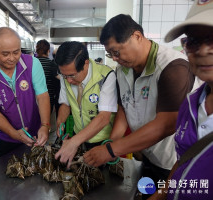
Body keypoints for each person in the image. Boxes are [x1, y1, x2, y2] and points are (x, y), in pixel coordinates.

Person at [83, 14, 195, 199]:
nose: (115, 58)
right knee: (144, 194)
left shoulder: (172, 67)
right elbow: (124, 108)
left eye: (117, 52)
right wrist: (113, 140)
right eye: (111, 54)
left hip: (173, 162)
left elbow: (167, 124)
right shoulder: (123, 70)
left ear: (137, 36)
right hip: (146, 155)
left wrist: (112, 150)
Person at [149, 1, 213, 199]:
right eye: (193, 41)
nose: (203, 51)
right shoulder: (191, 103)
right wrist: (159, 196)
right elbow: (183, 160)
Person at [0, 27, 50, 158]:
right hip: (6, 138)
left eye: (16, 52)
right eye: (5, 54)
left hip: (36, 134)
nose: (12, 58)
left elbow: (42, 96)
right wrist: (14, 134)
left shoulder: (32, 64)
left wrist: (45, 125)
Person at [54, 41, 118, 168]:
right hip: (79, 136)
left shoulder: (106, 76)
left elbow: (104, 117)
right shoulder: (66, 77)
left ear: (86, 63)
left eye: (72, 75)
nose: (68, 80)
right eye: (64, 75)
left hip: (102, 140)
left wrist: (73, 143)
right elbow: (65, 104)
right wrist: (60, 123)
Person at [36, 39, 60, 114]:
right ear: (48, 51)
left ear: (36, 50)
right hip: (48, 98)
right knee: (46, 122)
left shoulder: (32, 63)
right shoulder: (52, 64)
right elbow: (56, 83)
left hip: (34, 98)